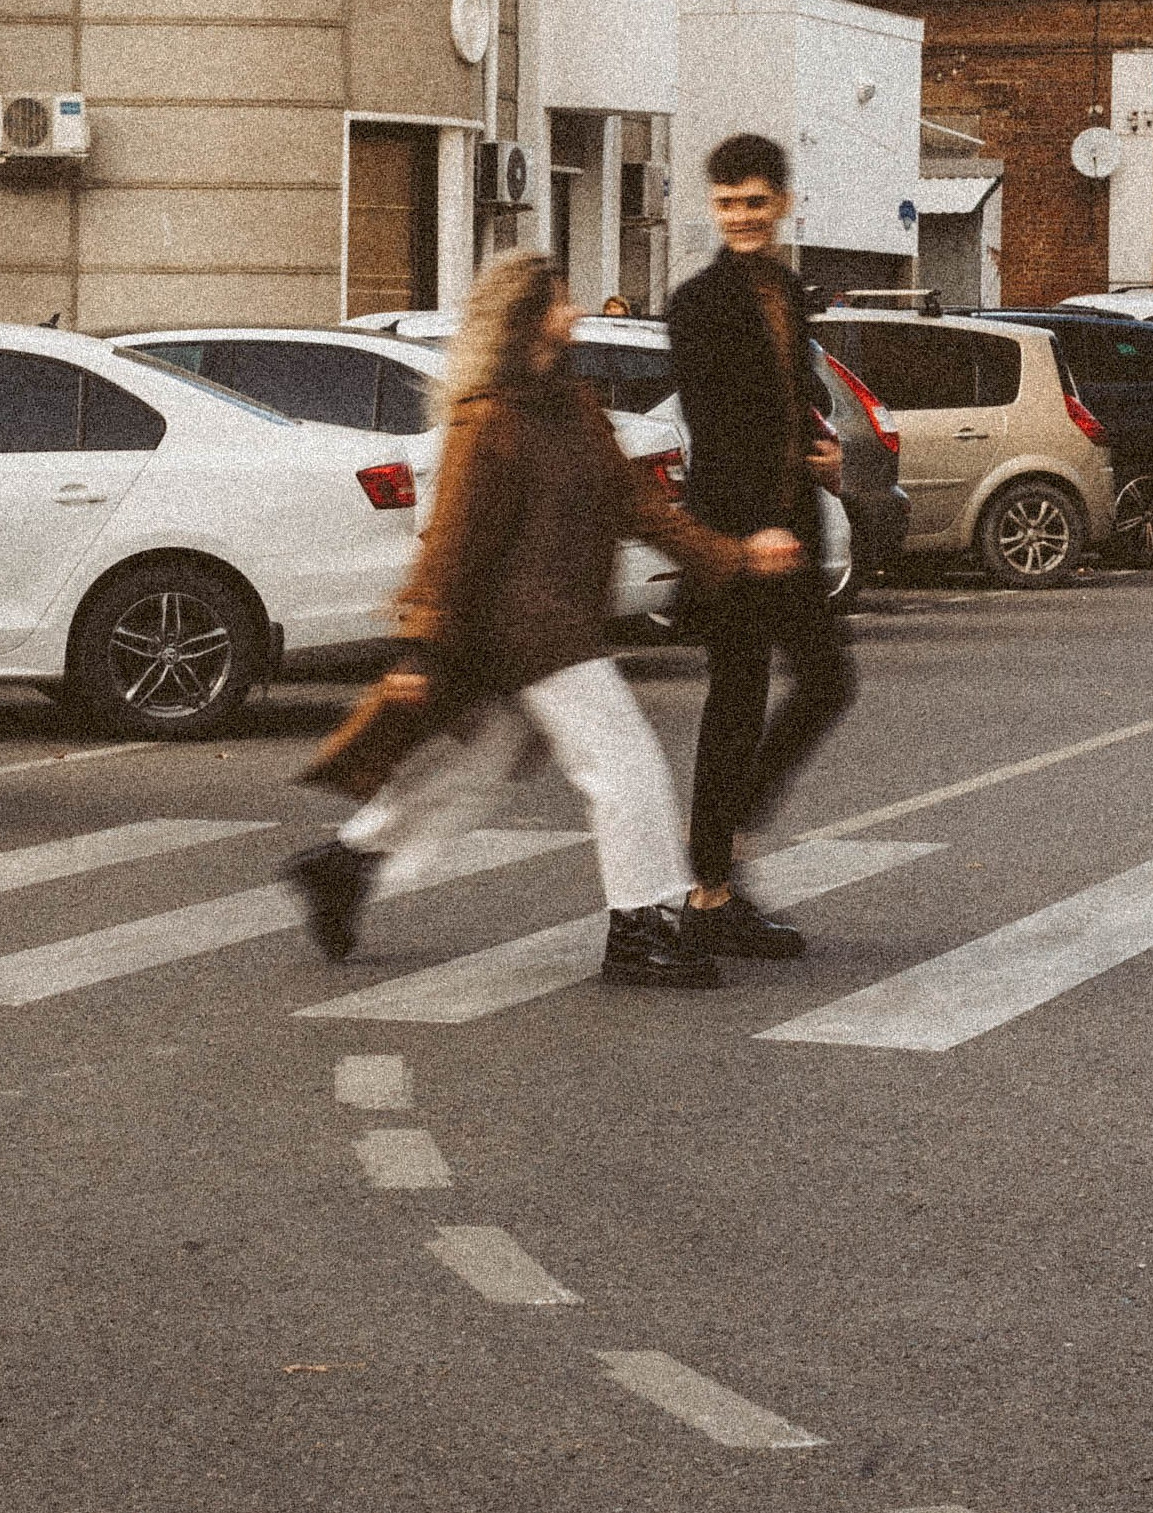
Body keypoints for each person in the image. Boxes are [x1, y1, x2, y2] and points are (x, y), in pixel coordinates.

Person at [286, 253, 800, 987]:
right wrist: (418, 650)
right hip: (531, 633)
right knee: (626, 767)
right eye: (561, 301)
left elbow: (638, 506)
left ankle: (342, 866)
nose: (576, 312)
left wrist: (734, 556)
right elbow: (452, 543)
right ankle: (640, 927)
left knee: (472, 771)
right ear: (529, 317)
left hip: (550, 629)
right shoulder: (489, 420)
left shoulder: (571, 408)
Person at [665, 131, 858, 957]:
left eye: (753, 202)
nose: (738, 217)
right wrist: (755, 527)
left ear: (782, 204)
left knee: (821, 683)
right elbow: (716, 424)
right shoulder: (697, 303)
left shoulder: (785, 286)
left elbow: (787, 392)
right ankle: (711, 884)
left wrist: (826, 452)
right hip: (741, 534)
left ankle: (720, 861)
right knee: (740, 701)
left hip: (792, 523)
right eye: (725, 204)